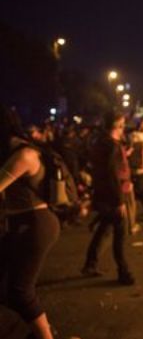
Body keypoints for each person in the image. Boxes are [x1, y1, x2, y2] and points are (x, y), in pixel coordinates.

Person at [0, 105, 59, 339]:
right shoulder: (10, 152)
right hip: (19, 223)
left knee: (20, 289)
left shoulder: (24, 155)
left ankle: (46, 337)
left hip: (35, 223)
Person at [81, 111, 135, 285]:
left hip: (106, 193)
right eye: (122, 124)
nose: (124, 127)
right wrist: (119, 200)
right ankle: (123, 271)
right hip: (114, 194)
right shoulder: (111, 146)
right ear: (118, 125)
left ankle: (90, 263)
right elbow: (111, 174)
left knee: (104, 228)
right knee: (120, 234)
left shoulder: (103, 143)